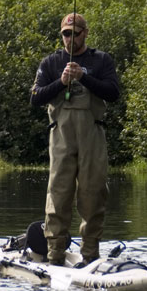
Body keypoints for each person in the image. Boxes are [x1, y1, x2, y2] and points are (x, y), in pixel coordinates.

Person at [30, 13, 120, 266]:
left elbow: (113, 93)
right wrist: (61, 82)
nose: (70, 38)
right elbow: (36, 97)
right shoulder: (50, 63)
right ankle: (55, 255)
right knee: (58, 196)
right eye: (65, 34)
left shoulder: (101, 60)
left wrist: (84, 77)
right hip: (60, 137)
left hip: (93, 135)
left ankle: (90, 255)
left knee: (93, 195)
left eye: (75, 33)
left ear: (85, 33)